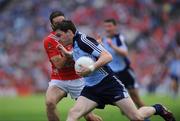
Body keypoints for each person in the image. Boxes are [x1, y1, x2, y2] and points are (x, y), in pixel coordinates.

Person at [54, 20, 175, 121]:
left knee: (136, 117)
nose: (58, 39)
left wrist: (91, 68)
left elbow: (107, 56)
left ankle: (158, 108)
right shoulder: (74, 43)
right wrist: (68, 54)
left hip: (108, 84)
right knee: (73, 114)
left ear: (69, 32)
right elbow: (83, 56)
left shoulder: (84, 40)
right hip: (91, 88)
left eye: (59, 35)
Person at [43, 11, 102, 121]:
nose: (61, 24)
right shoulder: (49, 41)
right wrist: (68, 53)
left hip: (78, 79)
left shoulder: (76, 35)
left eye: (63, 21)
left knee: (90, 117)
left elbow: (92, 54)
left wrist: (96, 47)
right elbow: (59, 65)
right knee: (50, 103)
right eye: (57, 23)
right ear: (51, 26)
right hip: (59, 79)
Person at [99, 18, 146, 108]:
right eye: (106, 26)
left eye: (109, 26)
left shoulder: (118, 38)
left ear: (115, 27)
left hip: (124, 72)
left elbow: (125, 53)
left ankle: (146, 117)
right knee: (119, 100)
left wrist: (112, 46)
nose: (107, 29)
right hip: (114, 74)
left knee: (135, 98)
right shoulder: (103, 40)